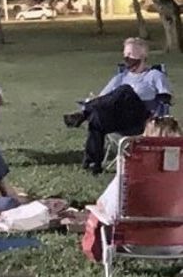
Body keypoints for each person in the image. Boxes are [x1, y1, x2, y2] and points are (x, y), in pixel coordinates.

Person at [64, 37, 172, 175]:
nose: (127, 58)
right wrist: (93, 101)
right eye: (125, 54)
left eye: (131, 54)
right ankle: (93, 164)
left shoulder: (154, 75)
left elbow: (166, 97)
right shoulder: (120, 77)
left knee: (125, 90)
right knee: (96, 119)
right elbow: (102, 99)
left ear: (143, 55)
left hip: (140, 120)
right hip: (119, 119)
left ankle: (84, 113)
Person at [96, 116, 182, 222]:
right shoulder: (179, 175)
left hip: (132, 229)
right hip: (174, 229)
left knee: (96, 216)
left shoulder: (132, 170)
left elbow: (108, 208)